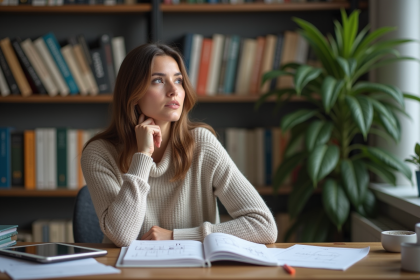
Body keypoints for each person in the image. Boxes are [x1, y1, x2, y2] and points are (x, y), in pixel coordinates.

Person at [81, 43, 277, 247]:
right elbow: (122, 236)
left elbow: (264, 226)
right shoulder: (99, 153)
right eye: (158, 80)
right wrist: (143, 156)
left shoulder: (202, 143)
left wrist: (176, 236)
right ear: (133, 93)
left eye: (178, 80)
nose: (174, 90)